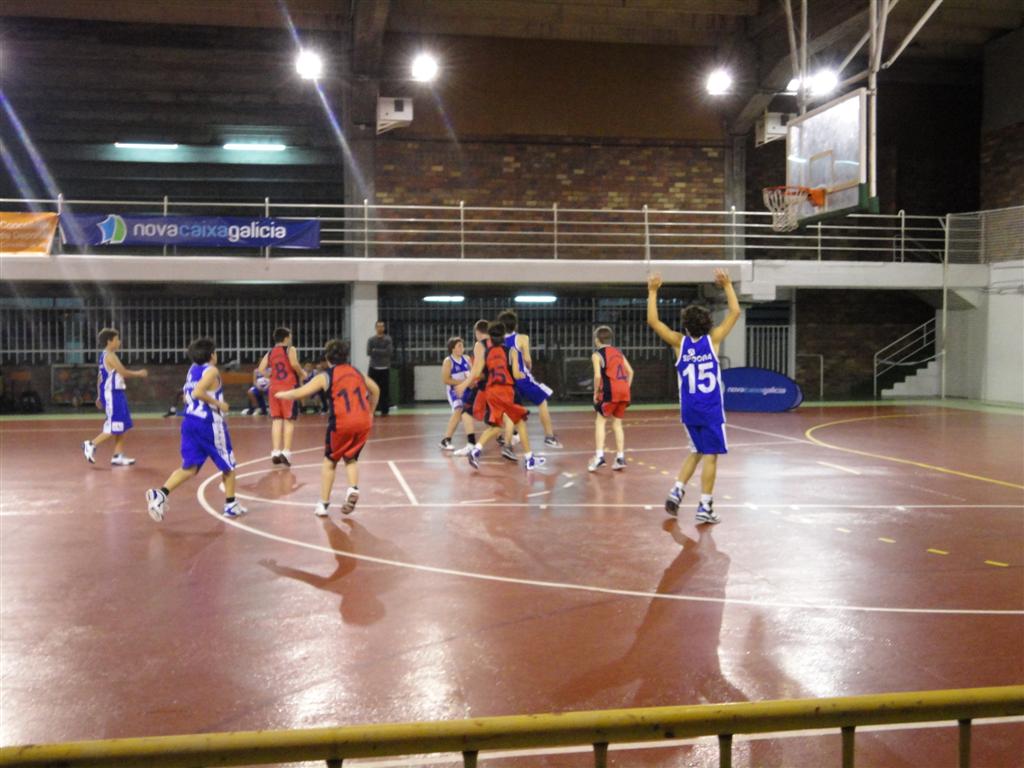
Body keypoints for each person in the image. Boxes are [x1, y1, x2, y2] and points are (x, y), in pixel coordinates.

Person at [647, 269, 740, 524]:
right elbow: (735, 312)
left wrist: (653, 291)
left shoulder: (679, 343)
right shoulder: (713, 340)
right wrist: (727, 285)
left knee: (696, 450)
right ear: (708, 324)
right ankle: (705, 505)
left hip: (689, 410)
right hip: (710, 409)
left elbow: (654, 322)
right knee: (711, 455)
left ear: (685, 326)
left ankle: (677, 490)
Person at [145, 338, 246, 521]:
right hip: (209, 424)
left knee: (190, 467)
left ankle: (160, 494)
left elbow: (187, 396)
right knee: (229, 464)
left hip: (190, 422)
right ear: (212, 355)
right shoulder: (212, 370)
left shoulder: (192, 370)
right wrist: (219, 404)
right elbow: (198, 392)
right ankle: (231, 505)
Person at [275, 340, 378, 517]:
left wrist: (282, 394)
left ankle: (323, 504)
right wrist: (371, 412)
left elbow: (301, 392)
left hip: (342, 423)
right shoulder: (357, 372)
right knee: (351, 458)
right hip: (363, 422)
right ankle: (353, 488)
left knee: (330, 462)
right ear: (346, 356)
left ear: (327, 358)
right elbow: (375, 389)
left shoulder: (326, 376)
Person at [464, 322, 545, 471]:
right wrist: (523, 374)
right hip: (506, 392)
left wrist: (465, 384)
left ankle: (475, 451)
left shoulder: (486, 353)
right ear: (503, 336)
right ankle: (529, 459)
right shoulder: (511, 352)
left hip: (491, 392)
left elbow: (476, 373)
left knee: (496, 426)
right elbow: (516, 375)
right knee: (520, 422)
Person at [82, 327, 148, 466]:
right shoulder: (109, 356)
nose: (119, 342)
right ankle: (91, 444)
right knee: (113, 425)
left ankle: (118, 455)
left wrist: (99, 395)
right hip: (112, 394)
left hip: (116, 393)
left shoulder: (105, 356)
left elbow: (100, 378)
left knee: (122, 424)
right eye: (117, 339)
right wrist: (139, 373)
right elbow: (123, 372)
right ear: (109, 341)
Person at [496, 309, 561, 448]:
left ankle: (507, 436)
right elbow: (527, 360)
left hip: (506, 380)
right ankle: (549, 436)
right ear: (515, 325)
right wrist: (528, 368)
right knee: (542, 402)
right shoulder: (522, 338)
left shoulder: (497, 342)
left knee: (511, 409)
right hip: (522, 378)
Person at [457, 319, 516, 461]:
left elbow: (477, 370)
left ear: (477, 332)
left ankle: (472, 445)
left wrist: (465, 383)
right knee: (504, 416)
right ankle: (508, 442)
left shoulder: (480, 345)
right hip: (504, 385)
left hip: (486, 386)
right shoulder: (502, 346)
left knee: (466, 412)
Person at [257, 327, 305, 466]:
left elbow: (260, 369)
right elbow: (294, 363)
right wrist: (302, 373)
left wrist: (270, 375)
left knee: (276, 420)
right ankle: (286, 452)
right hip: (288, 388)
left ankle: (275, 451)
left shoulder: (270, 352)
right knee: (288, 421)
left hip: (274, 388)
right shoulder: (290, 349)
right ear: (286, 338)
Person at [588, 325, 633, 473]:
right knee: (617, 424)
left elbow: (597, 376)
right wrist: (626, 388)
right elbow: (630, 372)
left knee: (600, 421)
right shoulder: (618, 352)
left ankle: (599, 456)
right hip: (624, 391)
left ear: (596, 340)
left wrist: (596, 392)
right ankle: (620, 458)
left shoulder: (597, 355)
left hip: (610, 392)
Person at [439, 336, 477, 454]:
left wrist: (471, 382)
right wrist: (463, 382)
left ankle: (499, 436)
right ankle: (446, 440)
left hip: (467, 389)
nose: (462, 348)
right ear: (452, 348)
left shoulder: (467, 358)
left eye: (462, 346)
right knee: (459, 410)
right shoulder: (448, 361)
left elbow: (472, 375)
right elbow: (446, 380)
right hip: (454, 390)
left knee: (477, 410)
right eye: (459, 346)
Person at [366, 320, 393, 416]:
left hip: (385, 368)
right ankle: (372, 409)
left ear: (384, 328)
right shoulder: (371, 340)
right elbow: (369, 352)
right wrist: (382, 351)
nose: (380, 328)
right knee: (371, 390)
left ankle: (384, 410)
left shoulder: (388, 339)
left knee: (384, 390)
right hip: (373, 367)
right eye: (378, 326)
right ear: (375, 328)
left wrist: (375, 351)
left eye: (382, 326)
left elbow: (389, 352)